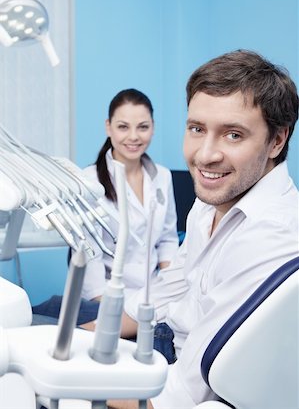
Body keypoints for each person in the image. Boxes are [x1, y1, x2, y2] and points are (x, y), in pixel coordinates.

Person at [107, 50, 299, 409]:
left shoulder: (274, 236)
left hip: (180, 372)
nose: (204, 156)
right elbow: (174, 283)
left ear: (277, 141)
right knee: (45, 321)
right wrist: (87, 336)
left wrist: (74, 387)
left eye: (233, 135)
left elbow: (183, 393)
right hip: (165, 336)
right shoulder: (214, 195)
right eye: (196, 129)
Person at [32, 88, 179, 322]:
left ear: (153, 126)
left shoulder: (162, 176)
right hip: (106, 296)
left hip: (153, 293)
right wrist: (110, 314)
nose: (134, 136)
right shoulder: (87, 181)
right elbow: (89, 255)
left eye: (143, 127)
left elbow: (168, 239)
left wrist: (173, 289)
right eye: (123, 127)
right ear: (108, 127)